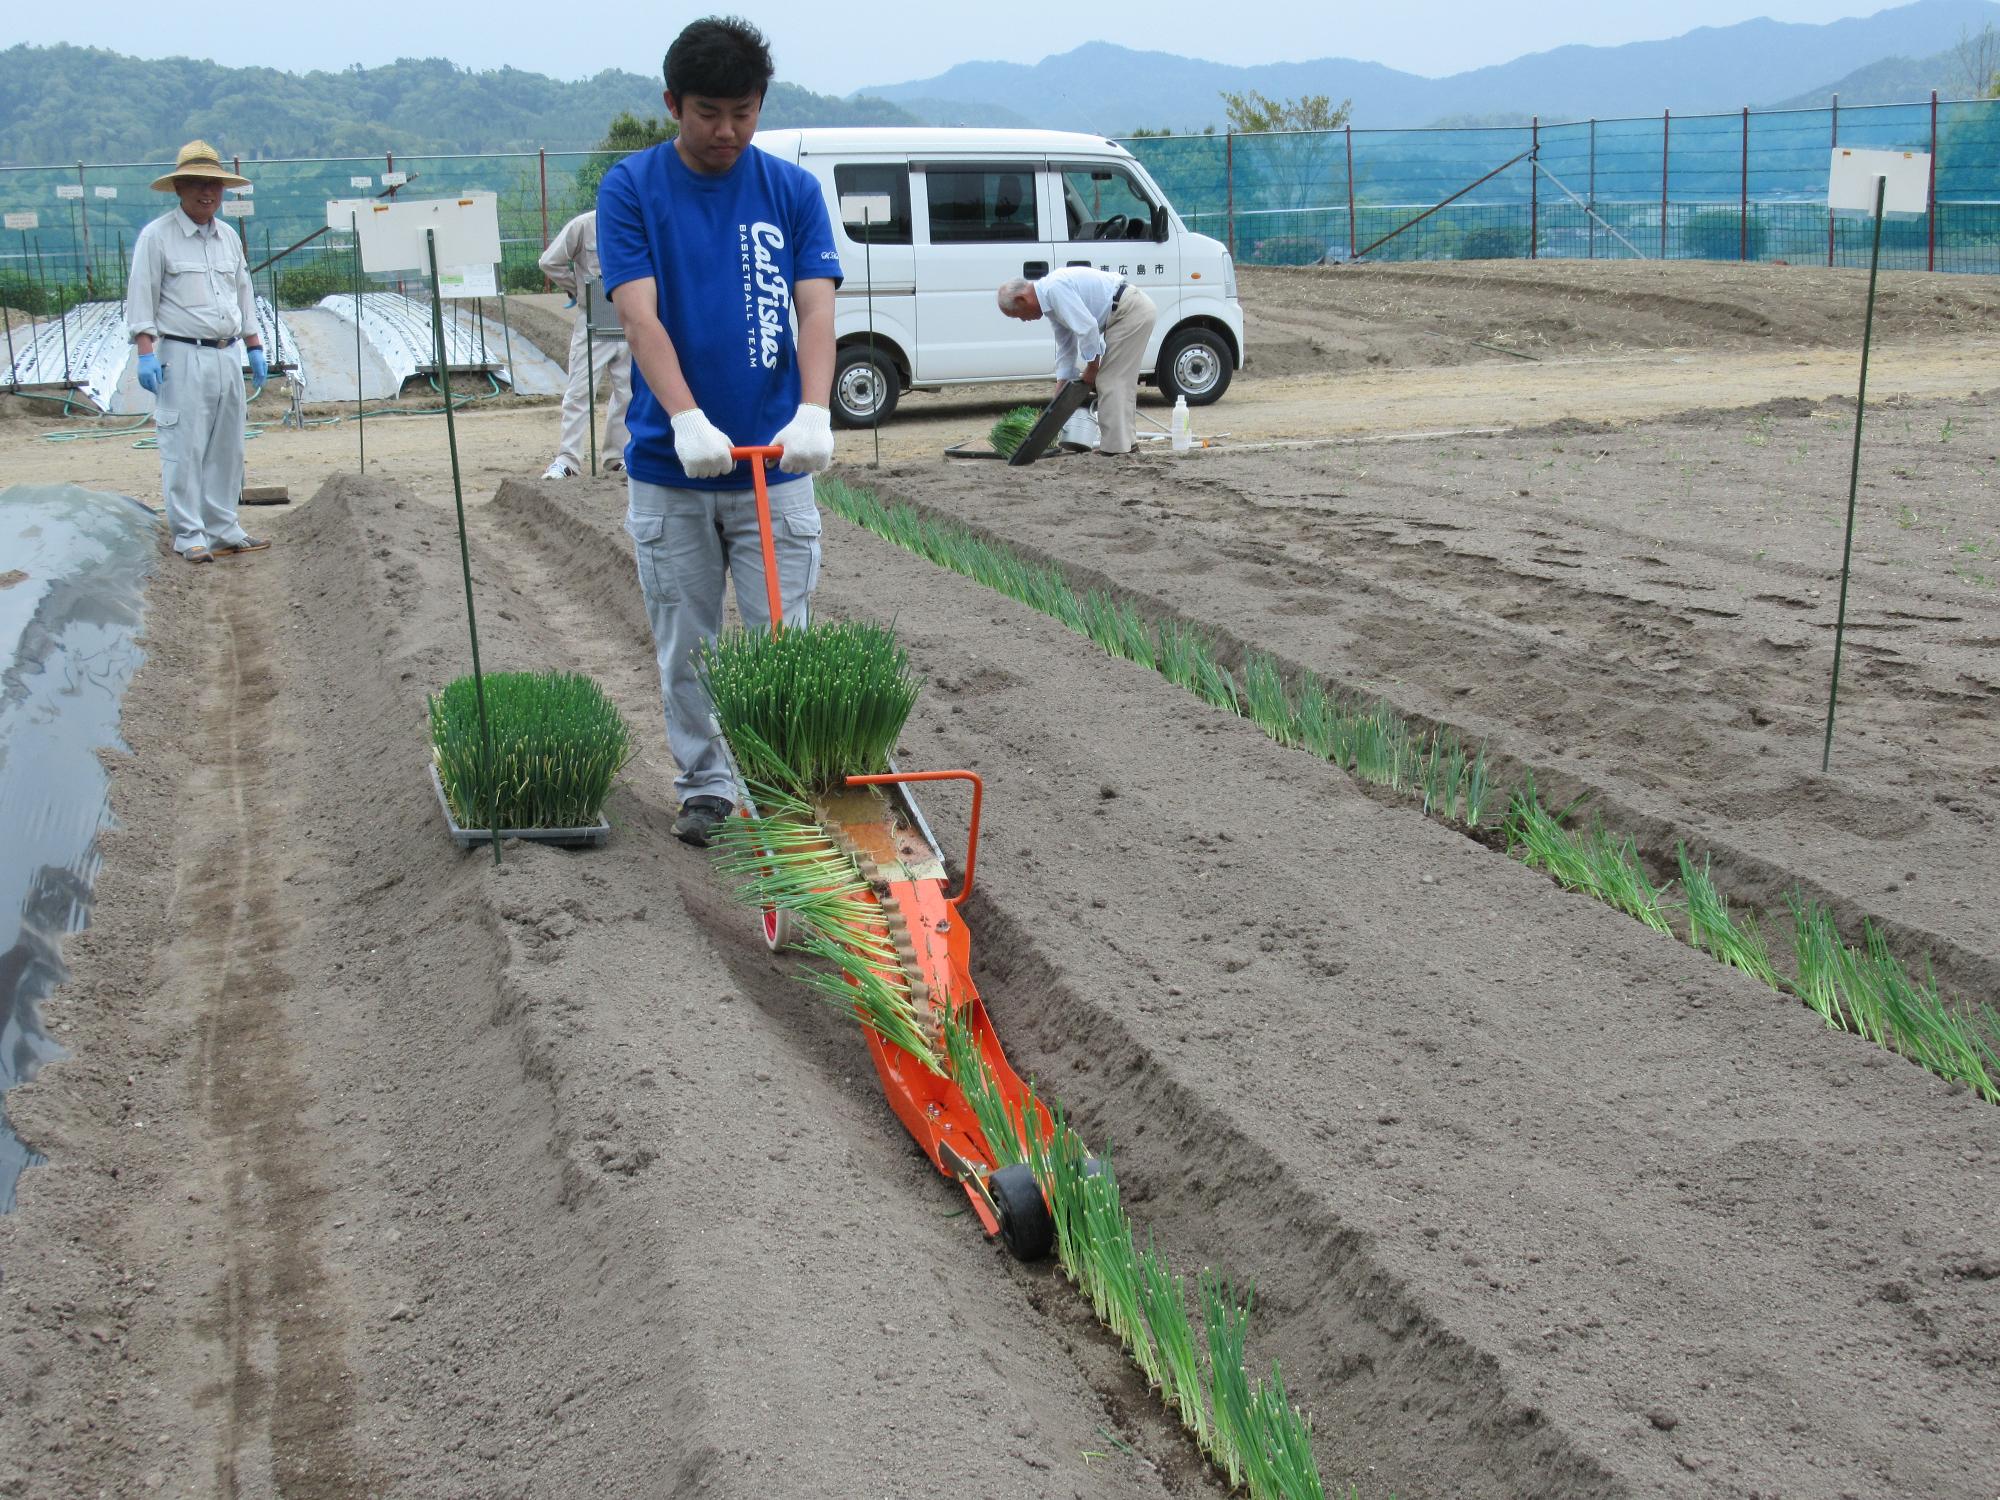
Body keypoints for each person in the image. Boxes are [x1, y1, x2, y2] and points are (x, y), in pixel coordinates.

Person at [598, 16, 842, 847]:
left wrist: (814, 408)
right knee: (687, 639)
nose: (726, 131)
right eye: (708, 112)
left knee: (784, 639)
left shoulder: (793, 193)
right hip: (673, 471)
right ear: (673, 103)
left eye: (743, 111)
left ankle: (779, 780)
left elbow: (816, 306)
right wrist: (686, 417)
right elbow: (640, 316)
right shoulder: (631, 189)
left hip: (777, 467)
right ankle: (705, 784)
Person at [126, 141, 271, 565]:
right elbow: (142, 297)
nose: (206, 193)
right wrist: (145, 351)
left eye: (213, 185)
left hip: (226, 354)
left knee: (228, 446)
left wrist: (254, 345)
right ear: (179, 189)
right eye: (196, 184)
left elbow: (242, 294)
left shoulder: (227, 237)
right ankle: (189, 533)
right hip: (182, 354)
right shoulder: (157, 237)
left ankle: (224, 527)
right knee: (185, 444)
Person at [997, 268, 1157, 455]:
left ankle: (1116, 450)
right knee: (1118, 382)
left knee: (1109, 381)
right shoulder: (1051, 301)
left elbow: (1088, 328)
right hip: (1127, 311)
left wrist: (1092, 367)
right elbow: (1066, 347)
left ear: (1021, 300)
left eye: (1017, 315)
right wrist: (1060, 391)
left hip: (1129, 311)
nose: (1023, 320)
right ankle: (1125, 446)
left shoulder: (1054, 289)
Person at [537, 209, 632, 479]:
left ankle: (617, 457)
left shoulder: (637, 220)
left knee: (627, 391)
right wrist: (579, 288)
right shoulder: (584, 225)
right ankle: (568, 460)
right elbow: (549, 262)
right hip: (596, 310)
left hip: (630, 312)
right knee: (580, 389)